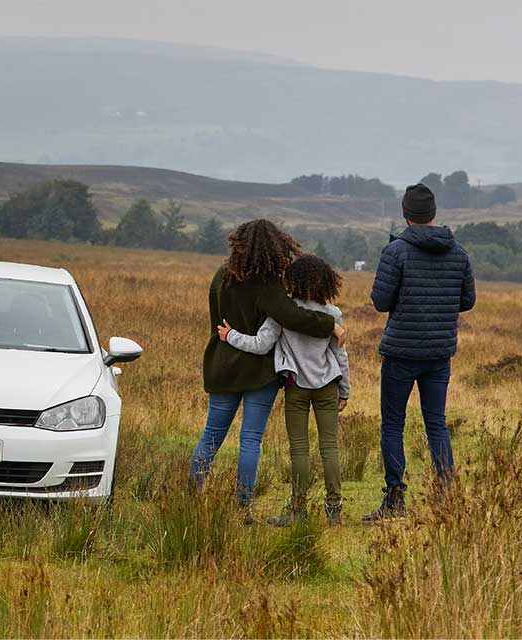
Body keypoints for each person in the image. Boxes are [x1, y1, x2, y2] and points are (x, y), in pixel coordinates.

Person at [194, 219, 344, 522]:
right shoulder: (266, 282)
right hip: (258, 373)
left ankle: (192, 497)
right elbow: (292, 316)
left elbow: (219, 323)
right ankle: (243, 506)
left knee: (211, 436)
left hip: (223, 366)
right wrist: (331, 325)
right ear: (275, 247)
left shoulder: (220, 276)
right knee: (250, 439)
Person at [363, 184, 475, 522]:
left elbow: (380, 302)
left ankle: (395, 500)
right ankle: (446, 497)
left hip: (400, 352)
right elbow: (467, 301)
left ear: (405, 213)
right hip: (439, 353)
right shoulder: (458, 252)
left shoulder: (395, 251)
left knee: (393, 425)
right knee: (436, 424)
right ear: (433, 214)